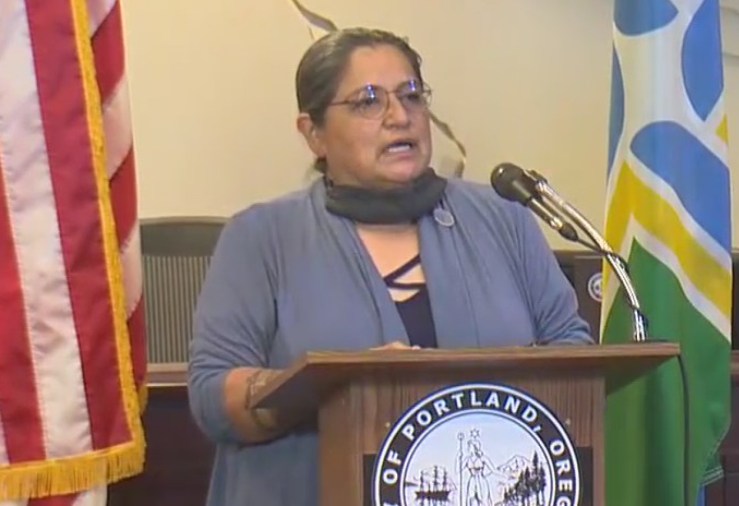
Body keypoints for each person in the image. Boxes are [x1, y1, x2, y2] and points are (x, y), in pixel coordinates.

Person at [187, 27, 592, 506]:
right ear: (313, 133)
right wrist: (331, 385)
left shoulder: (504, 219)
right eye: (369, 101)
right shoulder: (261, 238)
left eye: (412, 95)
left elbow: (572, 350)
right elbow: (212, 394)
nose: (400, 117)